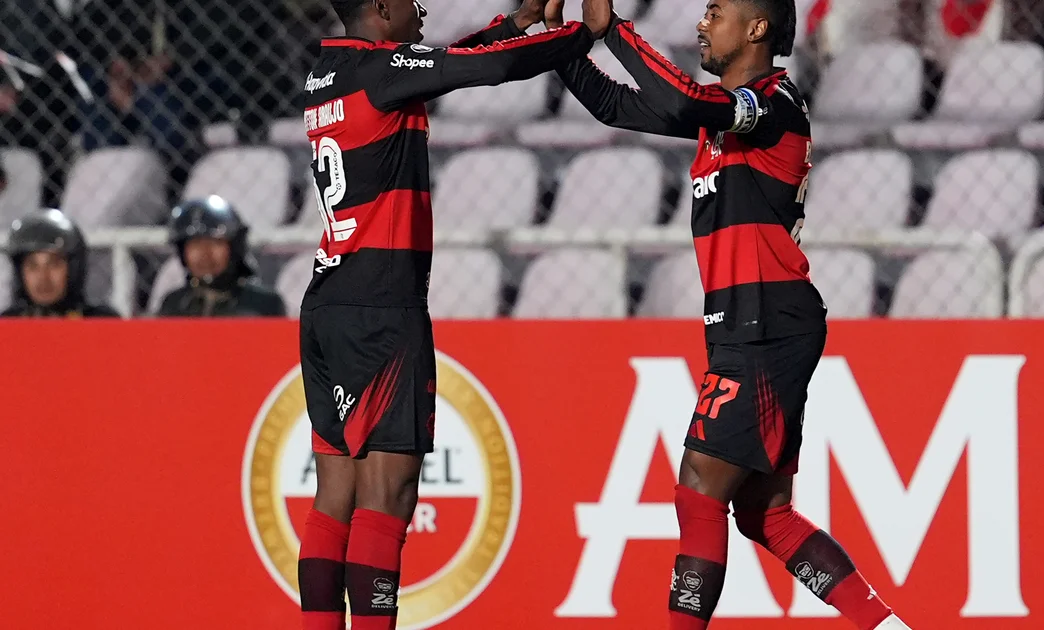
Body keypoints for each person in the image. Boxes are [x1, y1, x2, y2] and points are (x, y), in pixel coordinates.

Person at [543, 0, 912, 628]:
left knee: (698, 489)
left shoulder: (773, 105)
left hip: (765, 323)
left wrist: (617, 32)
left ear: (757, 28)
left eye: (715, 11)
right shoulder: (725, 120)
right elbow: (613, 105)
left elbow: (685, 101)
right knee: (766, 516)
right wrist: (562, 43)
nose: (701, 24)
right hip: (752, 324)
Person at [295, 1, 611, 628]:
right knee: (388, 497)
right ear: (381, 9)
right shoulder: (386, 73)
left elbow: (451, 59)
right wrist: (582, 35)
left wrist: (515, 21)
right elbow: (490, 71)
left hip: (328, 300)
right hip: (382, 308)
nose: (422, 7)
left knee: (335, 496)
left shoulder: (330, 74)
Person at [157, 196, 287, 317]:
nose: (205, 254)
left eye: (215, 243)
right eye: (195, 244)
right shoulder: (174, 304)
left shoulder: (263, 305)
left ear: (234, 247)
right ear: (182, 252)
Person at [1, 208, 119, 318]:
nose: (43, 278)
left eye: (54, 264)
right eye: (32, 266)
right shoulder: (7, 324)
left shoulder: (100, 321)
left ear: (74, 269)